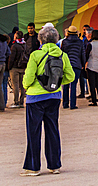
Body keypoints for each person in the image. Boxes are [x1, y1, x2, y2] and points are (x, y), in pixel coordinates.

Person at [20, 24, 76, 176]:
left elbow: (29, 77)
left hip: (35, 98)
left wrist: (26, 86)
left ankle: (33, 167)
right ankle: (54, 165)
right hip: (54, 97)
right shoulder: (62, 55)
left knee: (34, 132)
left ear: (40, 40)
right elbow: (70, 76)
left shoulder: (35, 55)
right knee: (52, 130)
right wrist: (56, 83)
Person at [58, 26, 86, 109]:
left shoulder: (65, 42)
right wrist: (83, 64)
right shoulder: (80, 42)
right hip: (77, 65)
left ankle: (65, 104)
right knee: (73, 85)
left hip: (66, 65)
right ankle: (73, 105)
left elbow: (62, 54)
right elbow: (82, 54)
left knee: (66, 84)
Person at [8, 33, 28, 108]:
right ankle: (21, 101)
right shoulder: (25, 45)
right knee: (22, 85)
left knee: (15, 85)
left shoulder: (14, 46)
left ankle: (16, 101)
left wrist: (9, 67)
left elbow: (12, 58)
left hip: (15, 68)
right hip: (23, 67)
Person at [86, 29, 98, 106]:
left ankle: (94, 100)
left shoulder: (90, 45)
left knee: (92, 84)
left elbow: (87, 55)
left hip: (92, 65)